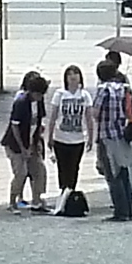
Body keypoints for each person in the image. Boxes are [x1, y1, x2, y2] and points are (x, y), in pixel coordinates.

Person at [93, 50, 132, 222]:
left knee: (112, 175)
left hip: (107, 136)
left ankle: (120, 212)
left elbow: (96, 113)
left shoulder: (103, 90)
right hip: (123, 135)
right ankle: (128, 209)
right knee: (123, 172)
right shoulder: (124, 88)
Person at [46, 64, 96, 217]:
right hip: (61, 138)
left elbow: (89, 117)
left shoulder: (85, 95)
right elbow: (53, 117)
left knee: (74, 168)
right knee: (62, 168)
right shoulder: (59, 94)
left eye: (75, 74)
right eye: (70, 74)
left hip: (78, 139)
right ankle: (63, 194)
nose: (73, 77)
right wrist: (49, 137)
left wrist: (91, 137)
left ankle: (71, 194)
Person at [2, 69, 51, 212]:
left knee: (39, 169)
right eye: (37, 94)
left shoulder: (39, 102)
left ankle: (37, 199)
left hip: (32, 140)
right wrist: (22, 149)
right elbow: (15, 127)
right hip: (15, 143)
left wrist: (36, 143)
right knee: (21, 172)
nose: (39, 97)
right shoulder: (21, 102)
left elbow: (39, 121)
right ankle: (12, 202)